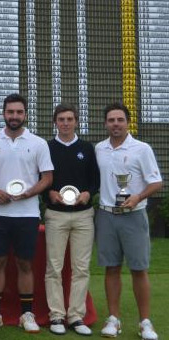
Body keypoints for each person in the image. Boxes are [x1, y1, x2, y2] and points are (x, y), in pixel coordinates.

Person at [0, 93, 53, 333]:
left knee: (24, 263)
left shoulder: (38, 143)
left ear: (25, 114)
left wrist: (29, 193)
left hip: (27, 213)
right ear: (4, 113)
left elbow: (47, 178)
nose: (14, 116)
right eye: (10, 112)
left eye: (19, 112)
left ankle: (27, 314)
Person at [95, 103, 162, 340]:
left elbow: (156, 182)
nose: (115, 124)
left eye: (120, 120)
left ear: (127, 122)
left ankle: (145, 322)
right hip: (106, 215)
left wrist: (137, 197)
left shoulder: (142, 149)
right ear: (105, 124)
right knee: (111, 268)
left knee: (138, 269)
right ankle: (113, 320)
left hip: (134, 215)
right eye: (111, 120)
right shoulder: (99, 149)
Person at [43, 103, 99, 336]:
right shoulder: (47, 147)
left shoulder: (87, 148)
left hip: (83, 215)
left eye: (69, 119)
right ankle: (56, 315)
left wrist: (88, 193)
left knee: (81, 268)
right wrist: (50, 193)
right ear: (55, 122)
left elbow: (95, 180)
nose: (65, 123)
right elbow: (41, 179)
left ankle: (76, 316)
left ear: (76, 121)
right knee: (54, 267)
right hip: (56, 215)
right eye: (61, 119)